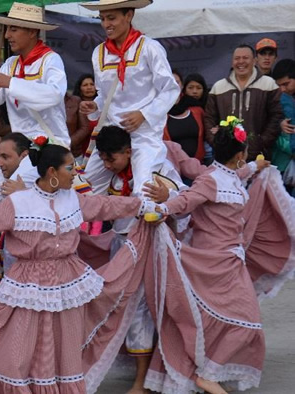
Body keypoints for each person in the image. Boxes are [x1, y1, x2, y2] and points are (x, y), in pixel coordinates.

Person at [0, 141, 158, 393]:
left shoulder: (74, 199)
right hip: (28, 287)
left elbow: (107, 206)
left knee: (65, 348)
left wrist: (143, 206)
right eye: (70, 168)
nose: (75, 173)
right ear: (52, 172)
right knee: (19, 348)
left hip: (68, 283)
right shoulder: (19, 203)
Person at [147, 121, 271, 394]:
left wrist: (255, 168)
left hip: (229, 261)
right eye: (246, 152)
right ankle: (208, 375)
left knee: (230, 319)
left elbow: (236, 176)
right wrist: (163, 207)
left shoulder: (227, 174)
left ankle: (207, 372)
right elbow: (187, 201)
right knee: (246, 320)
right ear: (240, 154)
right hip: (209, 262)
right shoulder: (211, 179)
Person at [96, 124, 188, 394]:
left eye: (110, 158)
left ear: (128, 151)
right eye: (102, 158)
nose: (106, 164)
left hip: (154, 247)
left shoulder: (157, 169)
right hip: (121, 246)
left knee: (151, 309)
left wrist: (168, 197)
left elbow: (185, 203)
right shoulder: (109, 176)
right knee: (130, 308)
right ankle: (146, 376)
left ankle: (153, 377)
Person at [0, 2, 70, 215]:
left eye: (13, 29)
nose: (7, 35)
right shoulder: (11, 64)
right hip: (17, 150)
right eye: (8, 29)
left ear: (33, 32)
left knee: (18, 199)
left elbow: (53, 95)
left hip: (48, 146)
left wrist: (11, 83)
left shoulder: (50, 60)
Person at [79, 0, 180, 197]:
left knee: (144, 189)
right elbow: (104, 96)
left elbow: (170, 89)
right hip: (112, 133)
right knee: (85, 187)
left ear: (129, 15)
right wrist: (94, 106)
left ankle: (145, 227)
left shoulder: (149, 48)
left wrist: (144, 114)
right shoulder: (98, 53)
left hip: (143, 134)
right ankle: (89, 228)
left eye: (112, 18)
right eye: (102, 19)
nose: (106, 24)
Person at [205, 44, 283, 160]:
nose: (241, 62)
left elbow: (277, 116)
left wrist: (261, 142)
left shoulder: (268, 84)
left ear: (254, 61)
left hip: (259, 157)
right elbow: (209, 119)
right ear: (232, 62)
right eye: (237, 58)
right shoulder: (219, 87)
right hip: (227, 159)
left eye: (245, 58)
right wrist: (218, 143)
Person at [164, 81, 206, 161]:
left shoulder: (197, 110)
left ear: (182, 86)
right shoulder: (158, 113)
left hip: (198, 165)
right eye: (169, 81)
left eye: (177, 82)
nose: (173, 84)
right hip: (171, 165)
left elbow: (207, 130)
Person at [271, 59, 295, 184]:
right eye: (279, 85)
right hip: (283, 163)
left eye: (286, 84)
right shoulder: (281, 99)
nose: (282, 89)